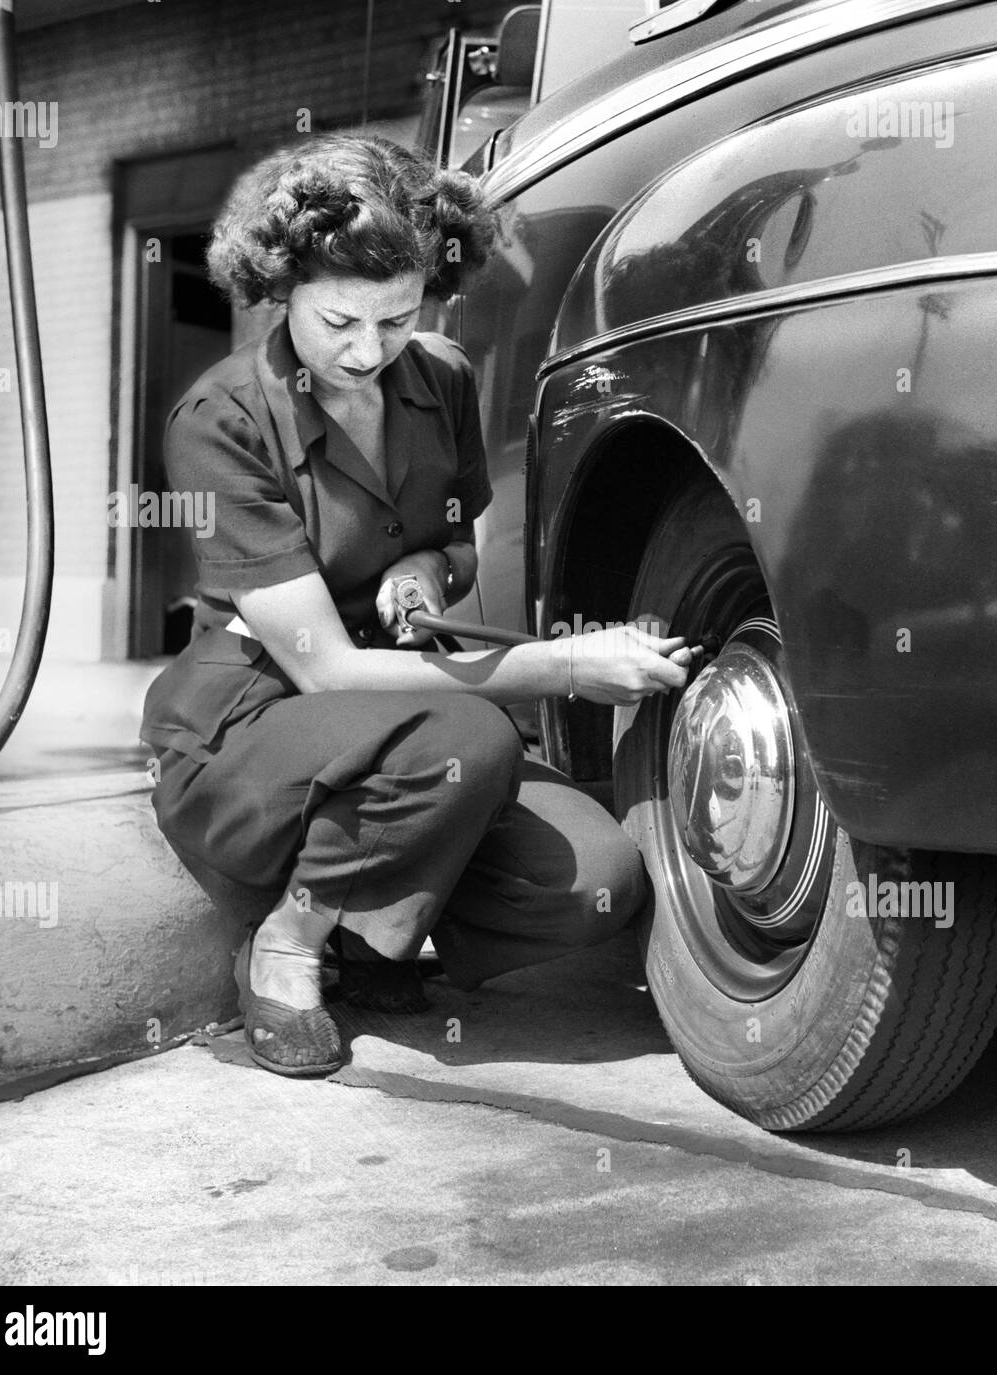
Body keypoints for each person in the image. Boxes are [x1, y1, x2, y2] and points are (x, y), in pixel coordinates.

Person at [140, 135, 692, 1078]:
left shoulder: (438, 377)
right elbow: (329, 669)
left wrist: (429, 573)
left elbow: (457, 540)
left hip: (406, 725)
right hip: (254, 730)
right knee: (470, 737)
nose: (369, 350)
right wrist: (568, 664)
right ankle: (289, 943)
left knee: (595, 883)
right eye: (341, 321)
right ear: (283, 289)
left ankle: (374, 924)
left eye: (396, 318)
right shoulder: (221, 420)